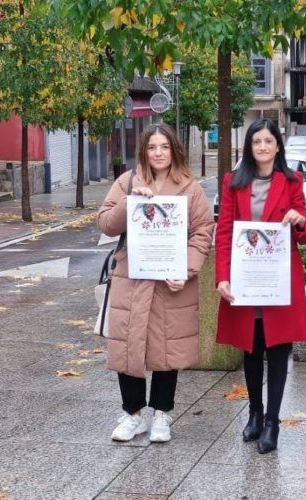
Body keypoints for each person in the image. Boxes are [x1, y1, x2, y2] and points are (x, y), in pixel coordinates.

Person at [97, 124, 213, 443]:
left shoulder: (190, 187)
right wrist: (129, 201)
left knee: (167, 348)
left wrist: (188, 269)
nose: (158, 153)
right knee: (127, 346)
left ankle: (162, 414)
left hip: (170, 282)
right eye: (152, 148)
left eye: (164, 147)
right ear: (144, 152)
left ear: (174, 149)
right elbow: (106, 223)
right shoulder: (128, 181)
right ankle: (132, 413)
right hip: (131, 278)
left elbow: (203, 231)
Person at [215, 118, 306, 454]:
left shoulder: (292, 180)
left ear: (277, 146)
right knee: (251, 349)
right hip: (245, 279)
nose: (262, 147)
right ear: (249, 146)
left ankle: (272, 421)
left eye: (268, 141)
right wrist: (222, 277)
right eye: (256, 142)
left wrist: (299, 220)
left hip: (278, 280)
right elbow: (225, 232)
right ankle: (254, 413)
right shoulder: (234, 182)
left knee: (278, 349)